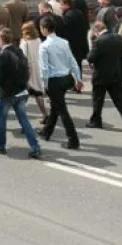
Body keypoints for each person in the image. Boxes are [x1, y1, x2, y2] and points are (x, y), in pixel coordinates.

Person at [0, 28, 41, 158]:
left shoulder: (2, 55)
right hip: (21, 91)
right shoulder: (19, 51)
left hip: (7, 94)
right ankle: (35, 146)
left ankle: (0, 146)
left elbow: (1, 78)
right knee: (24, 120)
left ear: (0, 39)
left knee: (1, 120)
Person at [38, 16, 83, 150]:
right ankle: (47, 131)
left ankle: (73, 139)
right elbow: (72, 61)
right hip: (66, 78)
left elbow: (44, 68)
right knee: (55, 107)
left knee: (62, 110)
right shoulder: (64, 42)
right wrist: (78, 78)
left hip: (54, 81)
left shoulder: (44, 46)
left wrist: (44, 85)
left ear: (45, 29)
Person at [87, 22, 122, 132]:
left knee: (98, 100)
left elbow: (91, 57)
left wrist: (92, 41)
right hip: (115, 73)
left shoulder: (98, 41)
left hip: (101, 75)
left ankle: (96, 121)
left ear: (96, 31)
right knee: (119, 100)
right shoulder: (118, 38)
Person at [19, 21, 48, 122]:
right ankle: (44, 114)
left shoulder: (24, 42)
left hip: (28, 70)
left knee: (23, 95)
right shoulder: (38, 40)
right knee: (38, 93)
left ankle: (23, 118)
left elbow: (23, 57)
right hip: (38, 67)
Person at [59, 0, 89, 69]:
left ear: (66, 5)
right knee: (78, 65)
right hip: (81, 43)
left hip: (73, 46)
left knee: (74, 67)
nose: (60, 7)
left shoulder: (67, 16)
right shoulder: (79, 12)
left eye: (61, 4)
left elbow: (66, 33)